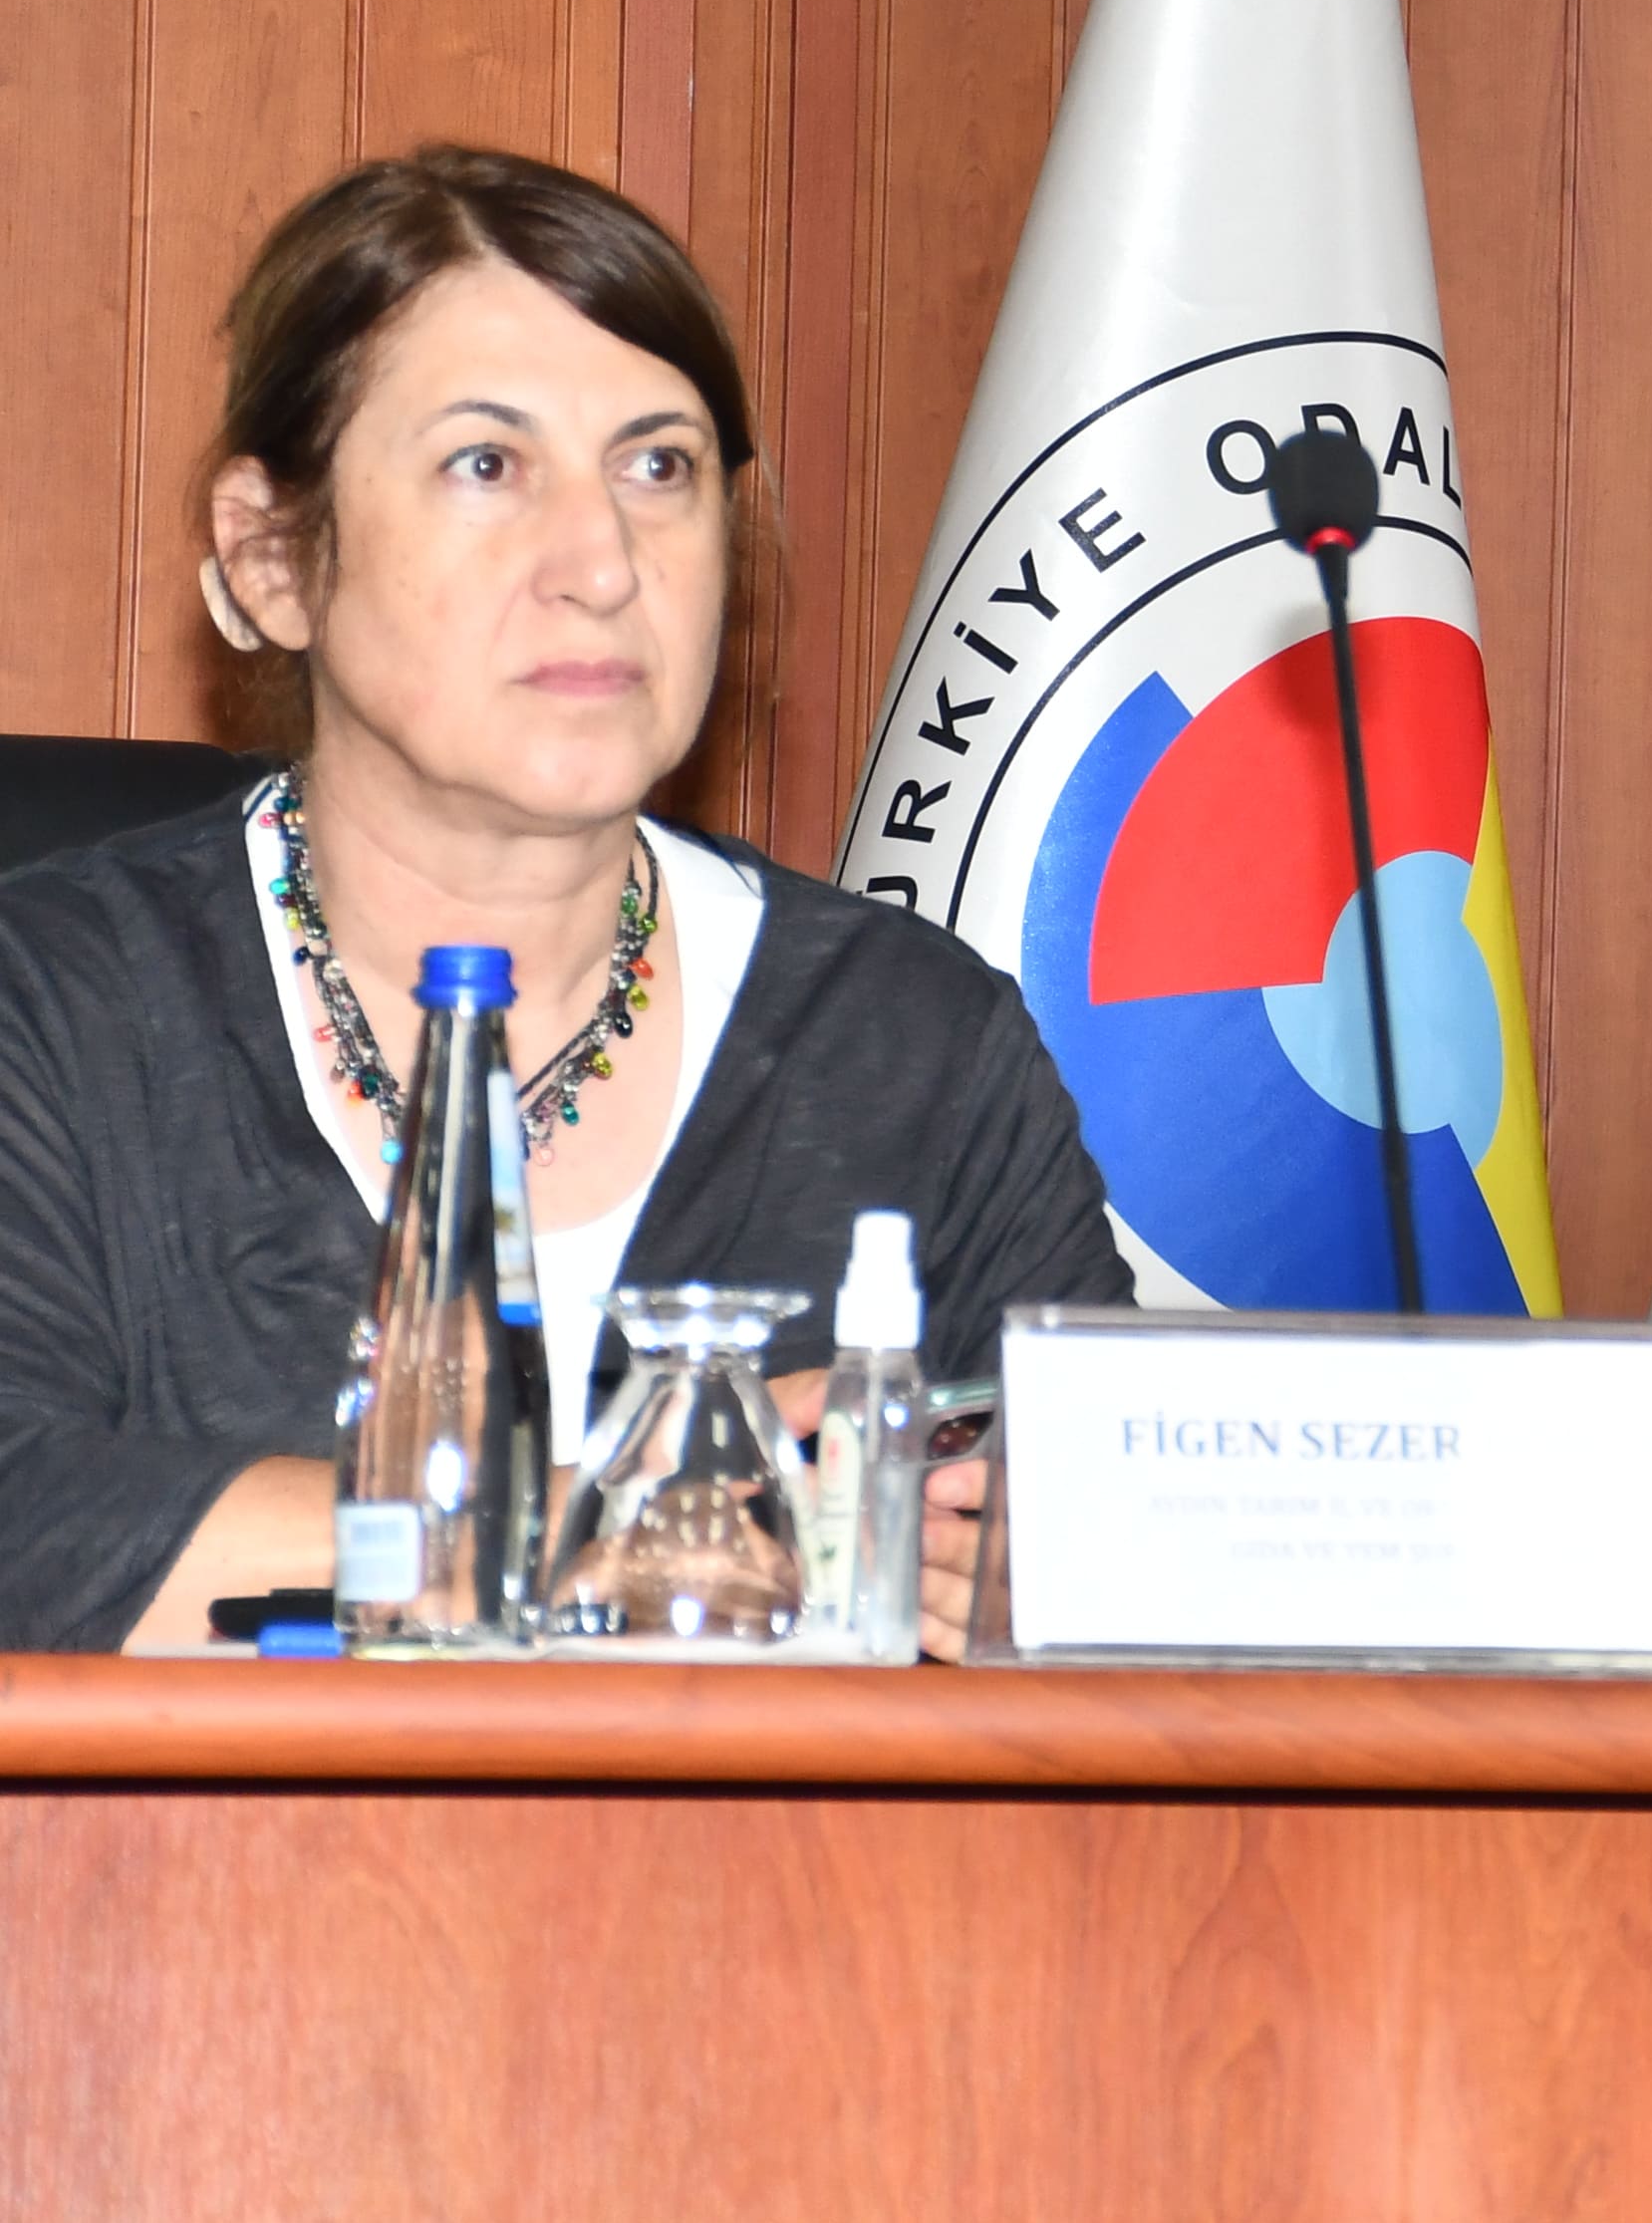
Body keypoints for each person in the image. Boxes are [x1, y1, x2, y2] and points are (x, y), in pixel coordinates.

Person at [0, 146, 1135, 1657]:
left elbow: (1111, 1545)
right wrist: (661, 1531)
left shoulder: (913, 1044)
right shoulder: (52, 1006)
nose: (602, 563)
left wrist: (1024, 1581)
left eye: (659, 468)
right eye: (487, 464)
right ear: (272, 556)